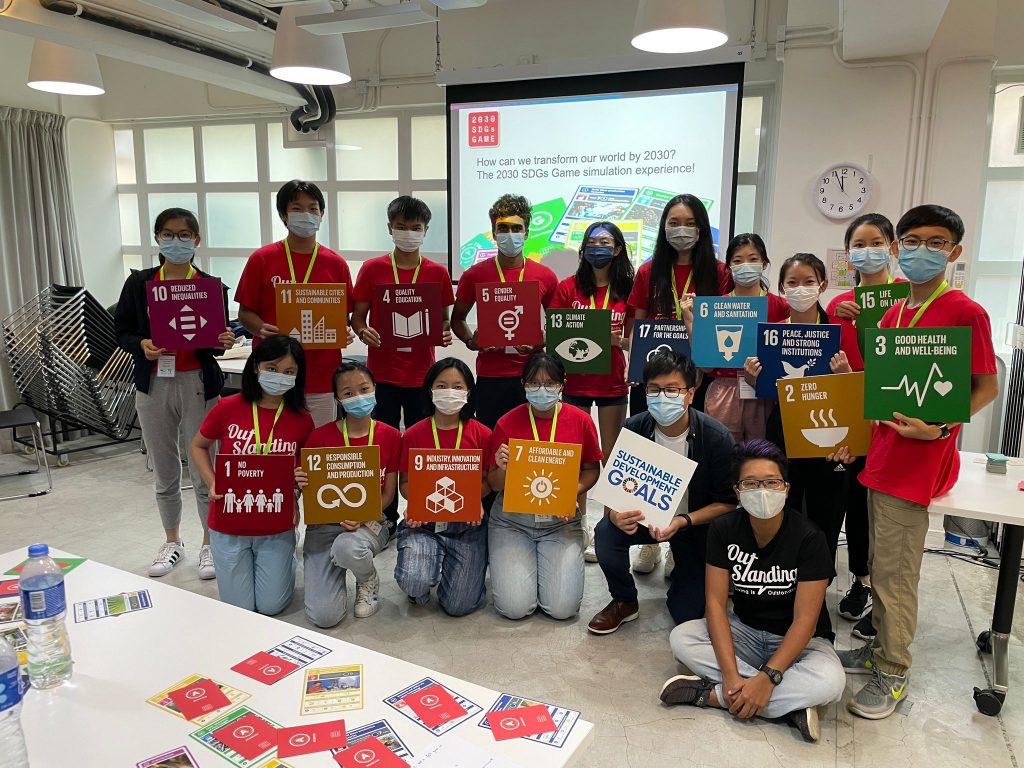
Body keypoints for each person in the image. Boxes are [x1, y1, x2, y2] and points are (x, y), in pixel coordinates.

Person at [838, 205, 998, 719]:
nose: (920, 250)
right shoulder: (893, 313)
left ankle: (894, 670)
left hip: (915, 465)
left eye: (935, 241)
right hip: (883, 457)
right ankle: (879, 648)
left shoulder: (964, 311)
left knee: (895, 575)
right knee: (881, 566)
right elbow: (880, 393)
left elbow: (986, 386)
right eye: (911, 240)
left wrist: (943, 428)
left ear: (954, 252)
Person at [661, 440, 845, 744]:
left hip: (801, 643)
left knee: (832, 682)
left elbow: (806, 622)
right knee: (682, 638)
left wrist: (768, 677)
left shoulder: (809, 537)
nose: (763, 490)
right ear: (737, 491)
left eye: (772, 482)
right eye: (751, 483)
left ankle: (716, 695)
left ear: (786, 488)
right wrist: (734, 674)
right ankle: (786, 709)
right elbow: (716, 605)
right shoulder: (723, 529)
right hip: (744, 631)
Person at [114, 207, 235, 581]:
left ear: (196, 240)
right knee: (164, 469)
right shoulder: (140, 284)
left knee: (204, 471)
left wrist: (224, 340)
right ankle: (172, 541)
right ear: (157, 238)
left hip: (199, 383)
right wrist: (143, 344)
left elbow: (216, 344)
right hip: (154, 383)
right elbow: (122, 332)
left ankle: (208, 544)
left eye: (185, 235)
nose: (177, 241)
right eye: (168, 234)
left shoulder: (213, 286)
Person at [588, 351, 736, 633]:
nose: (662, 396)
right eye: (655, 389)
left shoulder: (716, 438)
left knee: (688, 616)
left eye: (672, 389)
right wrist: (614, 513)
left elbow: (728, 504)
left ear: (690, 394)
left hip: (693, 526)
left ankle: (688, 576)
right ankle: (624, 601)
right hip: (645, 519)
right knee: (606, 532)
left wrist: (682, 521)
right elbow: (613, 490)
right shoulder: (634, 427)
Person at [626, 194, 733, 577]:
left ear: (701, 229)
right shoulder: (648, 271)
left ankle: (678, 540)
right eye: (674, 222)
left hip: (696, 380)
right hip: (651, 380)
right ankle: (649, 540)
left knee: (690, 457)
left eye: (689, 223)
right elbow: (637, 327)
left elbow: (725, 330)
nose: (681, 230)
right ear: (663, 227)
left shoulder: (719, 274)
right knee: (650, 455)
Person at [743, 253, 860, 581]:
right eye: (792, 283)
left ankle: (819, 582)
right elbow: (768, 389)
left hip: (832, 437)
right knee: (785, 504)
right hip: (784, 430)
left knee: (827, 512)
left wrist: (846, 373)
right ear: (781, 288)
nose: (800, 288)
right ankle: (782, 577)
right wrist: (753, 378)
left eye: (809, 282)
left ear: (822, 286)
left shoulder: (841, 331)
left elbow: (859, 390)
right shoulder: (773, 334)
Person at [190, 334, 314, 615]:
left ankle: (285, 559)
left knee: (271, 607)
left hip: (276, 522)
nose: (279, 376)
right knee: (240, 609)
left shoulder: (302, 419)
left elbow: (305, 468)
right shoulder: (227, 407)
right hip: (229, 520)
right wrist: (213, 481)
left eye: (289, 372)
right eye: (272, 368)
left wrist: (299, 485)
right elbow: (198, 445)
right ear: (256, 366)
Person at [826, 213, 902, 640]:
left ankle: (875, 588)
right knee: (852, 501)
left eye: (876, 242)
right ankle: (859, 580)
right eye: (859, 243)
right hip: (850, 418)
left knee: (882, 514)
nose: (867, 250)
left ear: (892, 247)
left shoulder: (907, 301)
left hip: (892, 419)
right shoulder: (839, 305)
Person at [487, 354, 602, 620]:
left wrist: (569, 493)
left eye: (550, 383)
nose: (542, 390)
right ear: (523, 384)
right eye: (534, 383)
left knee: (562, 610)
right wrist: (502, 467)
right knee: (514, 609)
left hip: (560, 521)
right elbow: (493, 484)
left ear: (563, 383)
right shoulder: (507, 422)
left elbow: (592, 470)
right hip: (512, 521)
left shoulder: (580, 420)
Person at [235, 180, 353, 428]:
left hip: (320, 374)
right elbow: (245, 312)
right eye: (297, 209)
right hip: (273, 372)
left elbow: (343, 317)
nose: (306, 215)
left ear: (322, 214)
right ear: (283, 215)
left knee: (317, 447)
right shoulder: (262, 259)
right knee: (272, 444)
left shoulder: (336, 264)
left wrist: (344, 331)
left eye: (313, 209)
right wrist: (259, 328)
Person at [550, 221, 635, 563]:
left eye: (605, 241)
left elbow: (635, 340)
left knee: (613, 457)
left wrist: (616, 340)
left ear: (617, 249)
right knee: (578, 458)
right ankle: (578, 522)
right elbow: (554, 334)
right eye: (591, 242)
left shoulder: (627, 289)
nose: (597, 247)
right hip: (576, 382)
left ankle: (609, 524)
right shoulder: (568, 287)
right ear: (583, 249)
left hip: (614, 381)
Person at [297, 361, 401, 626]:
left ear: (375, 389)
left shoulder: (390, 436)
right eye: (347, 393)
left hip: (371, 522)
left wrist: (361, 515)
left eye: (364, 389)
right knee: (325, 617)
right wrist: (299, 480)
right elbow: (308, 489)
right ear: (337, 399)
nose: (357, 397)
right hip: (323, 526)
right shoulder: (319, 439)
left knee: (348, 547)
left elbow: (388, 495)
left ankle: (367, 579)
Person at [450, 194, 559, 429]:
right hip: (491, 375)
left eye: (516, 228)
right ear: (494, 233)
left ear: (526, 232)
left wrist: (542, 341)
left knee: (531, 440)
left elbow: (558, 324)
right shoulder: (474, 275)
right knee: (492, 440)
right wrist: (471, 341)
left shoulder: (545, 275)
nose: (510, 234)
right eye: (503, 228)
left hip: (533, 377)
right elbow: (457, 319)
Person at [395, 358, 492, 615]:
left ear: (469, 392)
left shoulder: (482, 434)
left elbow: (488, 483)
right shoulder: (413, 434)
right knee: (414, 581)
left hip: (466, 528)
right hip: (424, 525)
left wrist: (474, 501)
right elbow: (404, 483)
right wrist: (415, 502)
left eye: (458, 386)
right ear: (430, 390)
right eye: (442, 385)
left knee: (459, 606)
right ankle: (422, 580)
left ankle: (462, 572)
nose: (450, 391)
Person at [350, 195, 455, 430]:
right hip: (381, 373)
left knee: (419, 437)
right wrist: (363, 331)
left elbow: (444, 320)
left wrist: (443, 332)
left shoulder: (438, 273)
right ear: (390, 228)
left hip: (422, 374)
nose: (408, 233)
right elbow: (357, 317)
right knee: (381, 435)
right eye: (401, 227)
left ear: (425, 230)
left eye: (416, 228)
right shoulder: (372, 269)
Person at [681, 234, 790, 444]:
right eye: (738, 260)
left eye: (753, 259)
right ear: (729, 267)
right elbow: (706, 365)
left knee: (762, 453)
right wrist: (691, 322)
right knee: (722, 453)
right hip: (724, 389)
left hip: (763, 392)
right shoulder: (715, 306)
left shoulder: (779, 306)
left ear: (764, 263)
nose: (745, 265)